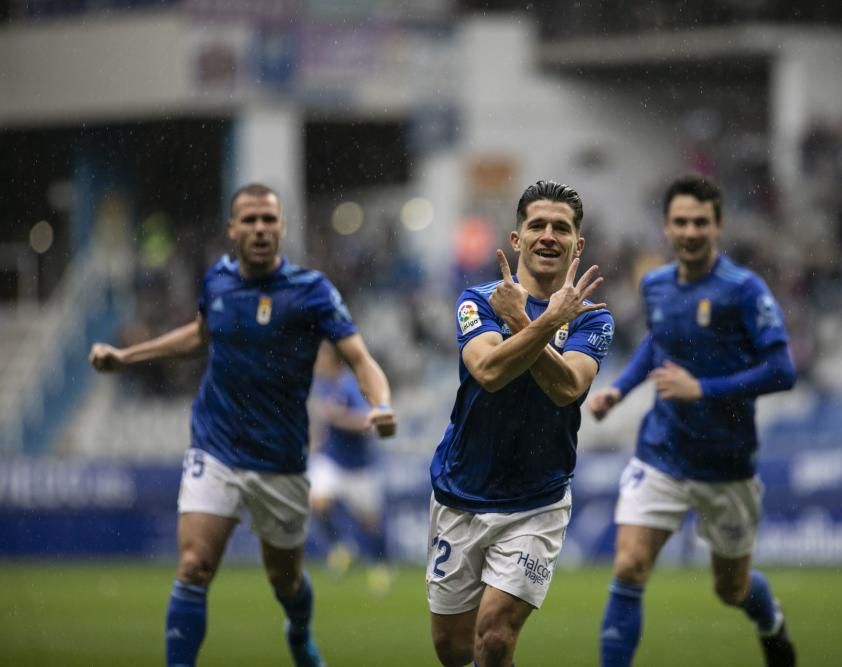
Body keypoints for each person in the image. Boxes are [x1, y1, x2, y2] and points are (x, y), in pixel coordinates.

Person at [89, 183, 397, 667]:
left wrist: (380, 404)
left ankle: (298, 632)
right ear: (232, 229)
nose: (259, 229)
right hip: (216, 446)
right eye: (249, 220)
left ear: (282, 228)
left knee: (285, 580)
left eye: (268, 220)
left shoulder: (312, 292)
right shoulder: (217, 281)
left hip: (281, 459)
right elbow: (199, 334)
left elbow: (359, 357)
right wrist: (127, 356)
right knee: (194, 565)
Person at [588, 174, 798, 667]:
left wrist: (704, 389)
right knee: (629, 564)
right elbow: (659, 342)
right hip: (661, 450)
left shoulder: (744, 290)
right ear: (666, 226)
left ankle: (770, 620)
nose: (689, 231)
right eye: (680, 221)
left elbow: (783, 371)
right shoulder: (656, 284)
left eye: (700, 221)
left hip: (726, 463)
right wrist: (619, 389)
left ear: (718, 225)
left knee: (731, 588)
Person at [426, 180, 614, 667]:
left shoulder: (593, 319)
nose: (548, 235)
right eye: (537, 225)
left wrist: (533, 324)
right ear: (517, 239)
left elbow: (568, 388)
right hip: (461, 490)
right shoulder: (477, 299)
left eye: (561, 228)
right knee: (452, 650)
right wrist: (541, 324)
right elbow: (488, 373)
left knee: (494, 640)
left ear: (578, 244)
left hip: (537, 500)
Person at [307, 340, 390, 590]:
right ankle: (340, 546)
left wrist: (339, 418)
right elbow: (324, 422)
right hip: (331, 460)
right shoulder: (323, 386)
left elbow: (368, 422)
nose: (317, 362)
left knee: (370, 523)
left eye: (322, 357)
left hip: (359, 467)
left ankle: (380, 565)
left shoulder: (350, 385)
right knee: (317, 502)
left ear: (334, 360)